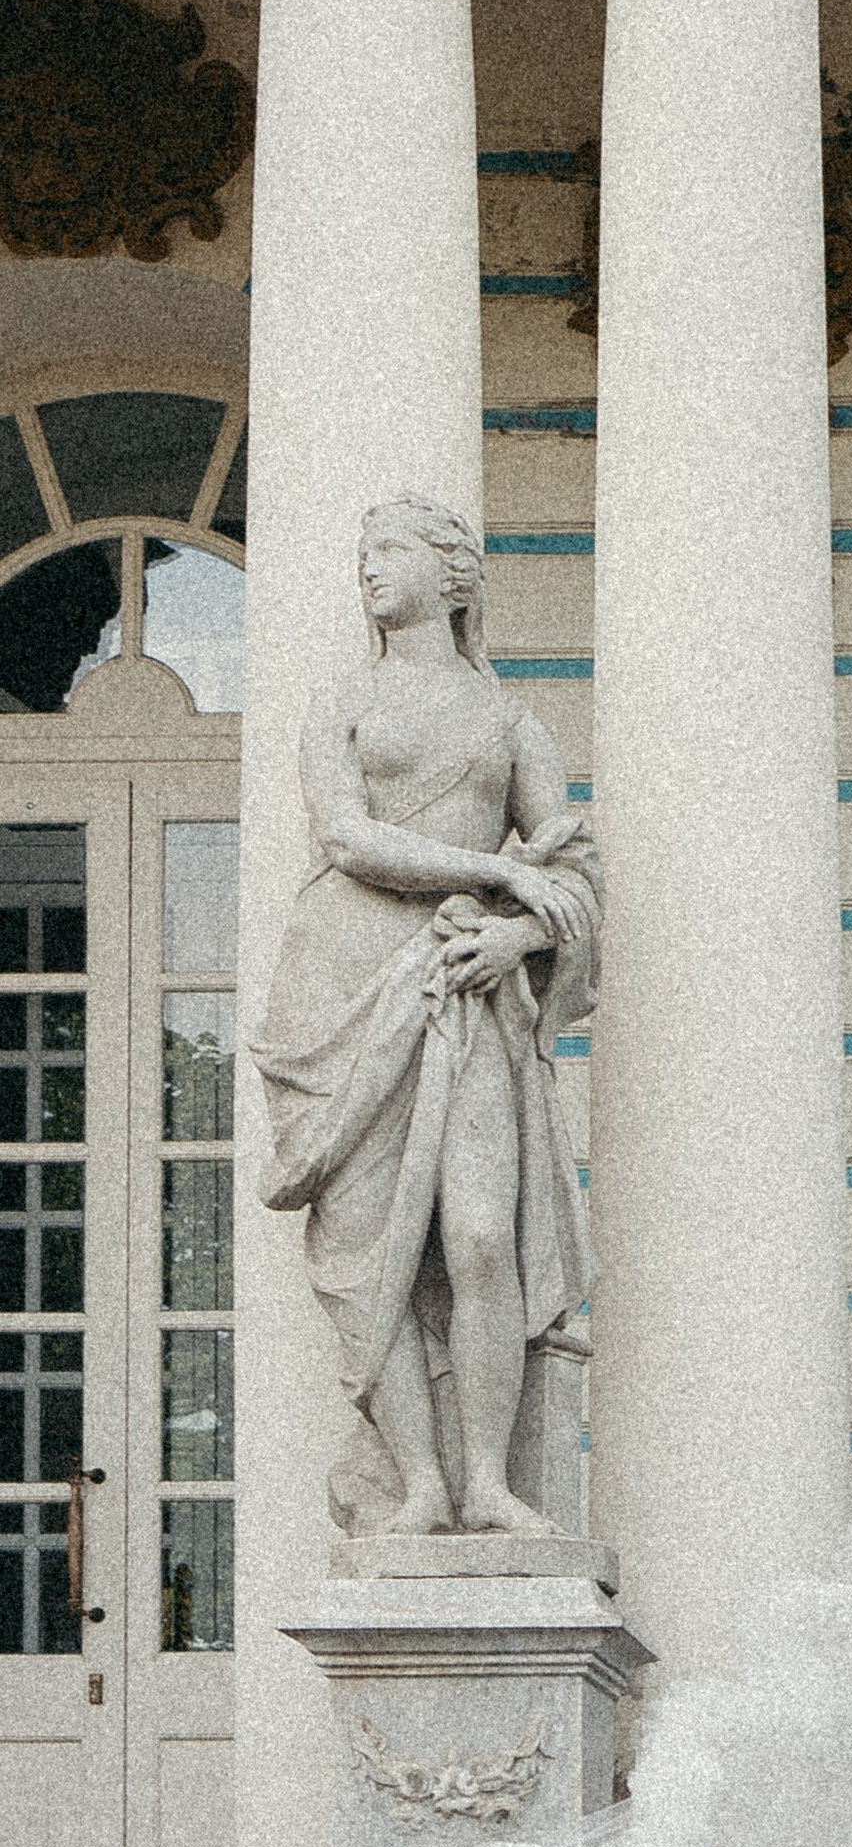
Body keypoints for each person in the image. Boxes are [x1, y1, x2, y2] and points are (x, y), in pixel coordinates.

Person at [251, 494, 598, 1540]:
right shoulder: (341, 705)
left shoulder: (509, 721)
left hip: (468, 987)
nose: (369, 570)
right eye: (363, 554)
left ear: (454, 577)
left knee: (483, 1236)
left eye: (389, 550)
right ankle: (421, 1486)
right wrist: (496, 871)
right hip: (344, 985)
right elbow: (349, 839)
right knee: (371, 1253)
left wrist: (518, 940)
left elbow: (575, 869)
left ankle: (490, 1480)